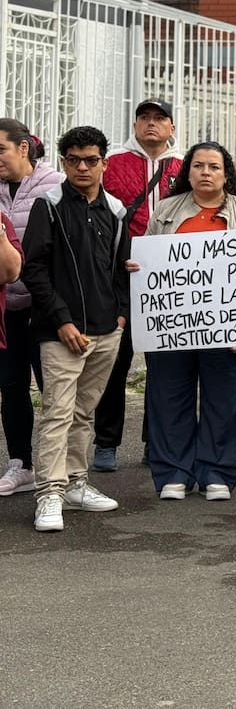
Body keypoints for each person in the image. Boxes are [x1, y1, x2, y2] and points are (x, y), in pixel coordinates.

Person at [143, 141, 236, 501]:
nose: (206, 173)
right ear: (188, 172)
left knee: (225, 400)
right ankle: (173, 473)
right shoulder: (164, 211)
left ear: (226, 173)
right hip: (171, 328)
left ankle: (217, 472)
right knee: (169, 398)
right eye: (198, 166)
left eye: (213, 166)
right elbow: (149, 258)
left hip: (228, 328)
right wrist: (141, 267)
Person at [21, 126, 128, 532]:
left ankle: (76, 484)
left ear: (104, 162)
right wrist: (62, 321)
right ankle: (49, 492)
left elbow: (121, 268)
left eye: (91, 160)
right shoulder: (47, 205)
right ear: (63, 161)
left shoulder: (116, 211)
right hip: (59, 332)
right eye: (73, 159)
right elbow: (34, 270)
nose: (82, 167)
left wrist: (120, 315)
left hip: (106, 330)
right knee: (57, 413)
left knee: (84, 412)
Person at [93, 98, 185, 472]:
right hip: (124, 273)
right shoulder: (113, 163)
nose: (151, 124)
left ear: (172, 127)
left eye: (159, 118)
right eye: (144, 118)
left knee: (165, 366)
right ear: (134, 125)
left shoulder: (183, 166)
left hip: (173, 275)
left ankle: (156, 441)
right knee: (116, 361)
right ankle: (106, 441)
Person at [0, 120, 62, 496]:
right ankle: (20, 463)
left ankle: (59, 467)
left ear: (24, 148)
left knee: (52, 389)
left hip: (45, 308)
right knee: (10, 387)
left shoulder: (54, 187)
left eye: (0, 151)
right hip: (6, 309)